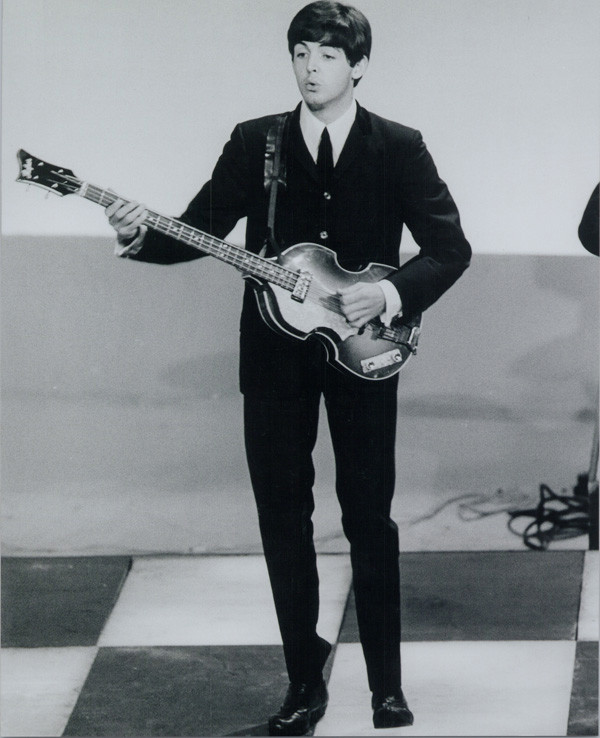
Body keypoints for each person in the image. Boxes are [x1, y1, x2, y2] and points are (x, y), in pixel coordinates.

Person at [105, 2, 471, 733]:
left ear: (359, 64)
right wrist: (138, 237)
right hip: (272, 361)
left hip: (366, 356)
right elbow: (202, 228)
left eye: (328, 55)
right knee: (282, 516)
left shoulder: (399, 146)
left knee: (369, 517)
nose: (311, 67)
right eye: (301, 52)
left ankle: (386, 690)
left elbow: (449, 248)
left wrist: (390, 290)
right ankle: (304, 686)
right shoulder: (256, 143)